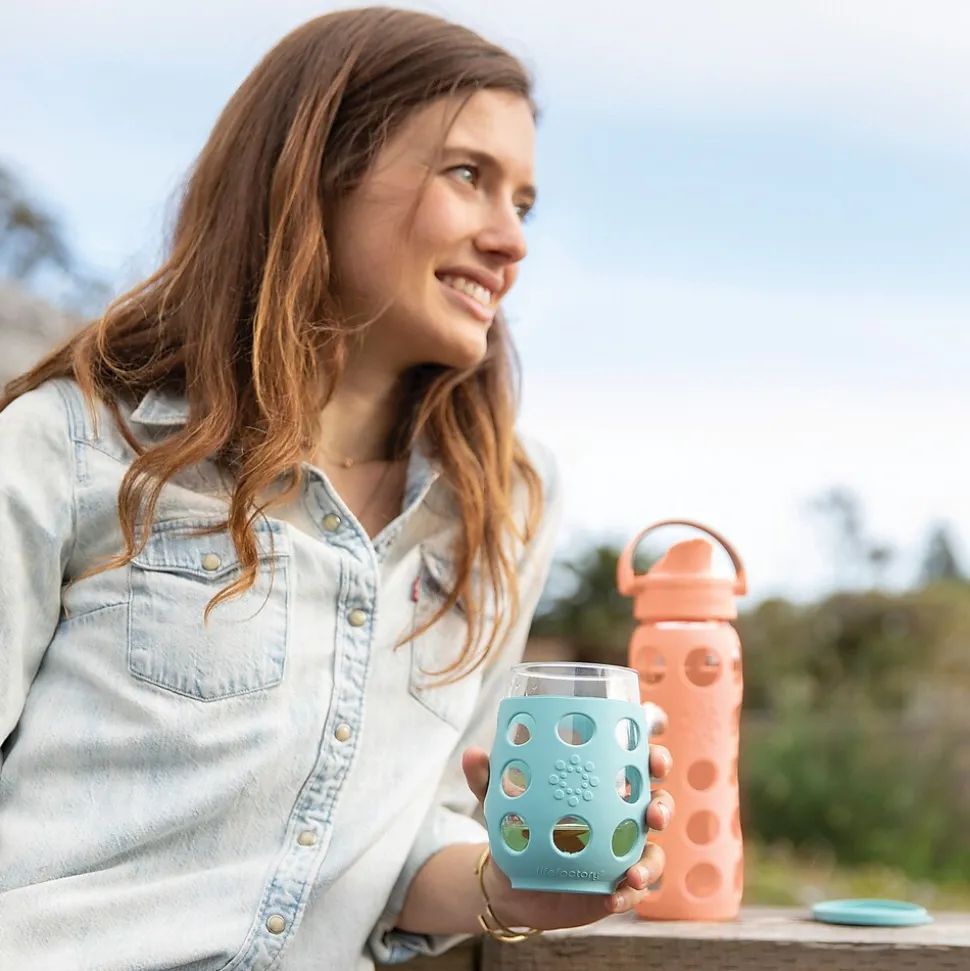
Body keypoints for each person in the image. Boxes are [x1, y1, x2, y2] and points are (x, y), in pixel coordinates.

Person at [0, 8, 673, 969]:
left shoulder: (505, 505)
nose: (510, 240)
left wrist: (513, 885)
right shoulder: (70, 445)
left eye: (523, 204)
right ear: (317, 173)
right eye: (468, 176)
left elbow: (407, 842)